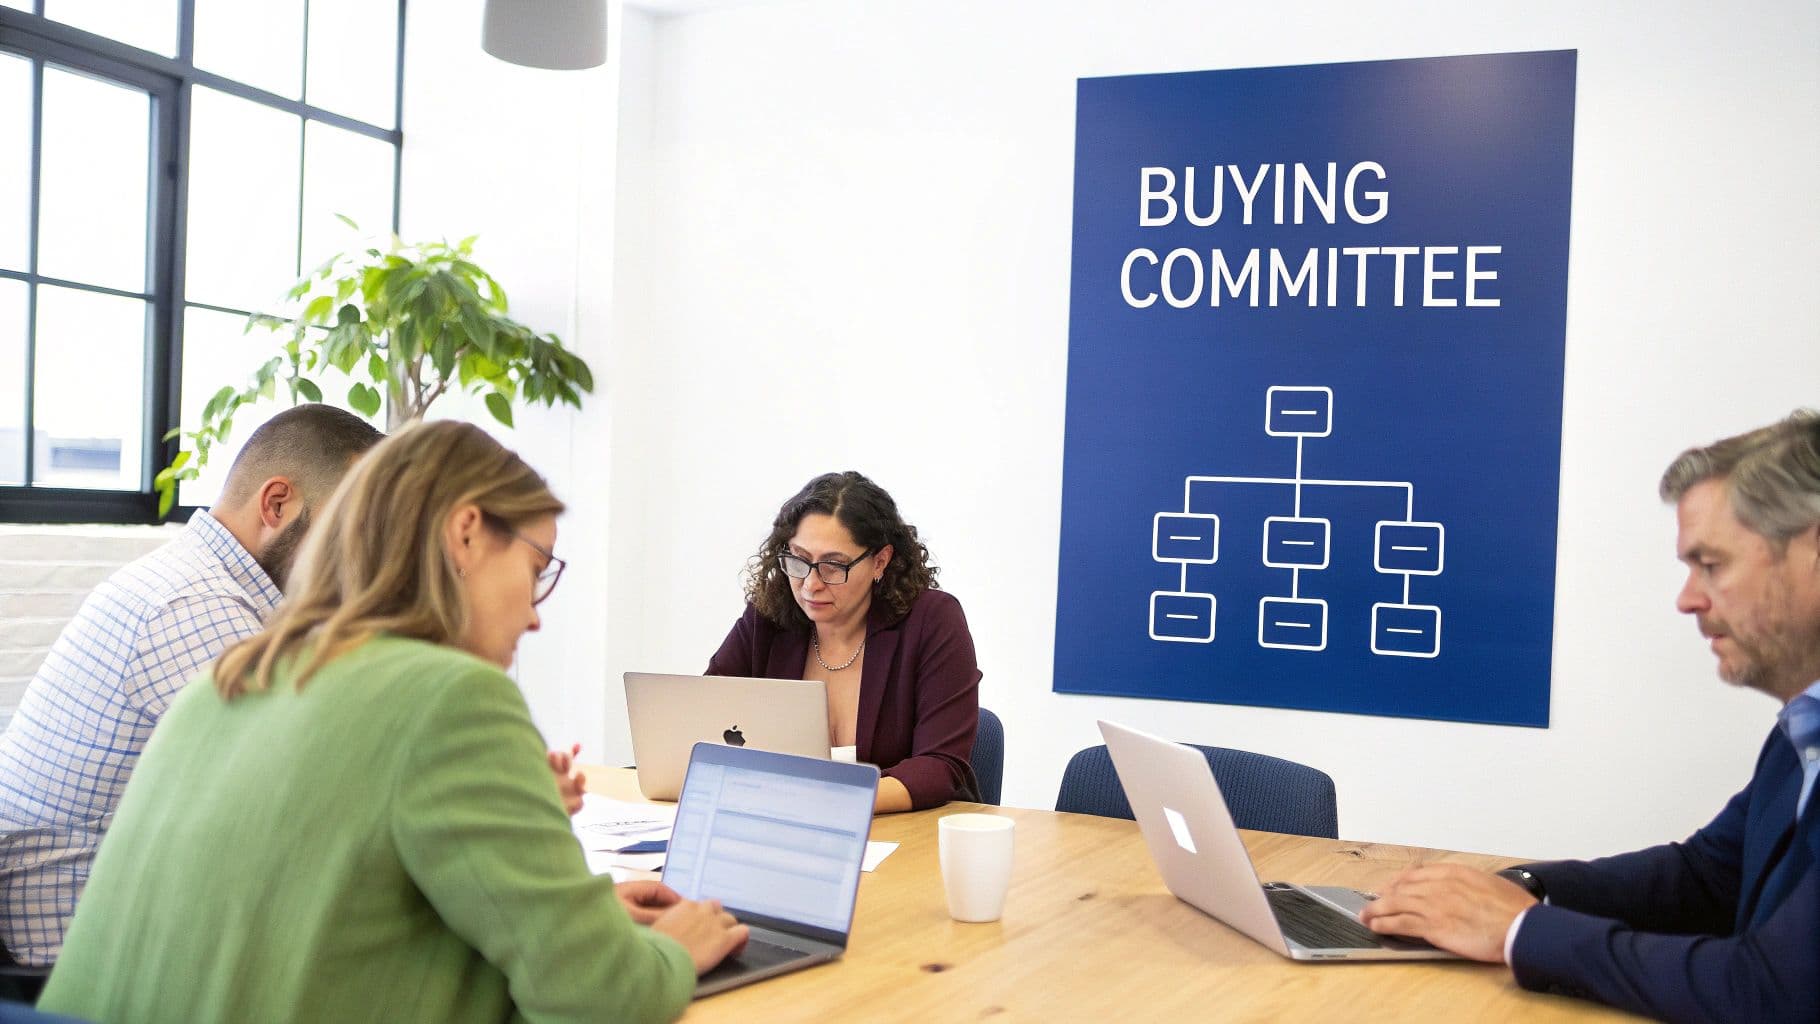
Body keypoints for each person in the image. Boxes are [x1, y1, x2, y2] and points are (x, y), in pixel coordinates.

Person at [37, 420, 746, 1023]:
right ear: (466, 534)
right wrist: (673, 948)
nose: (535, 613)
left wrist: (577, 919)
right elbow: (597, 996)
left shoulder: (237, 676)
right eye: (537, 571)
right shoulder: (452, 698)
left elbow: (330, 907)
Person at [1361, 410, 1820, 1022]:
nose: (1687, 599)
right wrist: (1520, 887)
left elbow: (1771, 993)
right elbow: (1708, 876)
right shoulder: (1803, 728)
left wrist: (1520, 931)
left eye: (1711, 564)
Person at [0, 403, 383, 967]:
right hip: (74, 949)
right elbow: (309, 804)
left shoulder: (202, 582)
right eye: (351, 529)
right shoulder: (197, 605)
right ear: (277, 505)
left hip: (113, 912)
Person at [708, 471, 981, 813]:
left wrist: (827, 803)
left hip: (906, 835)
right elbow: (707, 717)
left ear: (880, 561)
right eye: (798, 559)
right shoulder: (769, 616)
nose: (810, 585)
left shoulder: (932, 620)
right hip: (783, 825)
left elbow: (940, 767)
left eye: (833, 567)